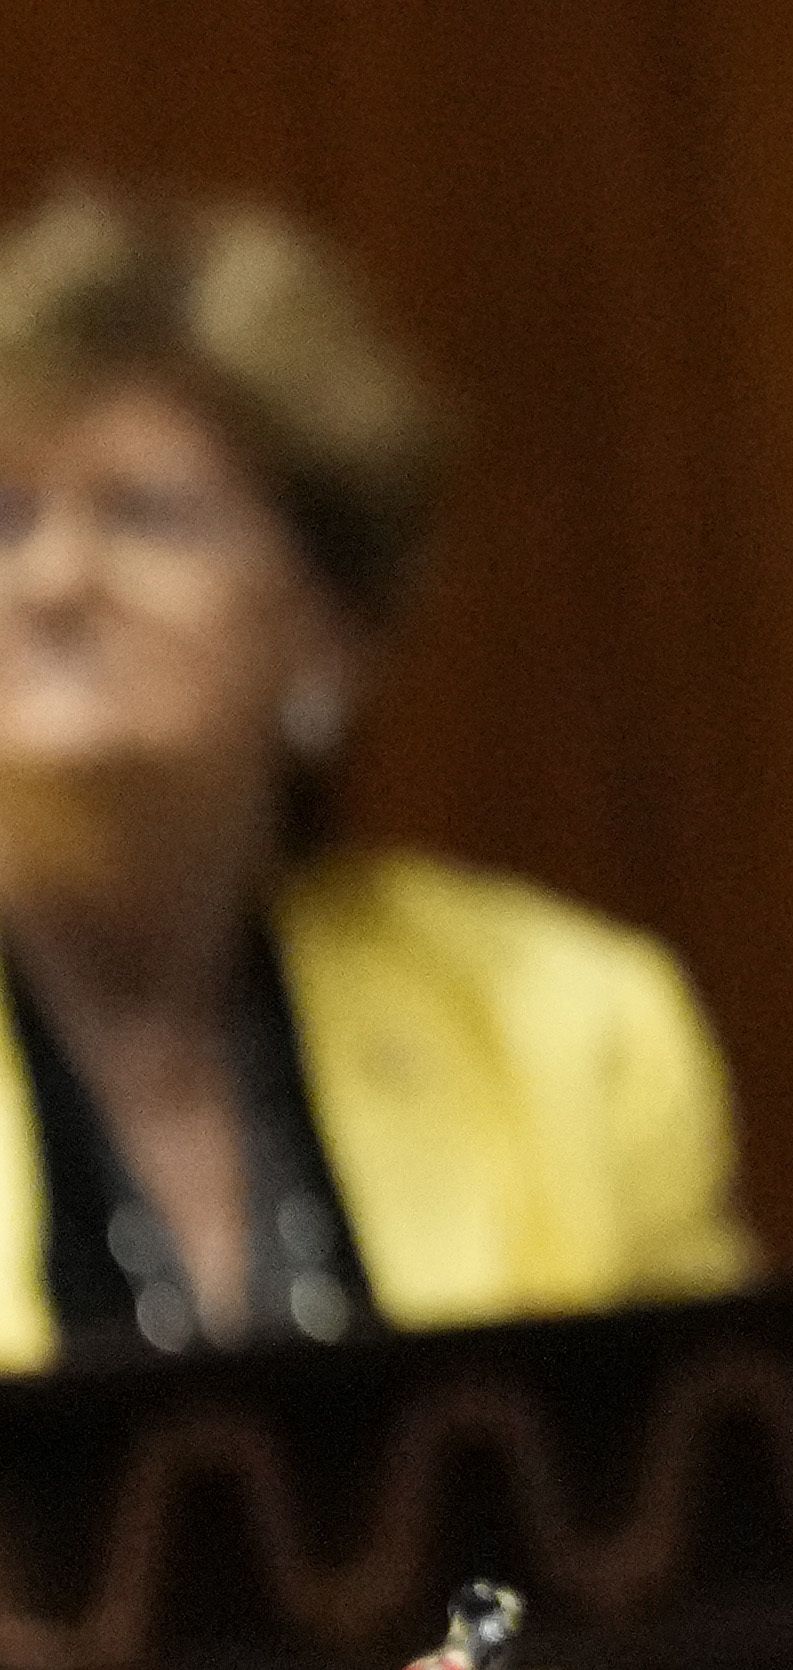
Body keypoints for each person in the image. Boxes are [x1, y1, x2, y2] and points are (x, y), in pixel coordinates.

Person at [0, 179, 752, 1360]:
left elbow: (683, 1501)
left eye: (145, 514)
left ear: (327, 618)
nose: (54, 580)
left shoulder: (568, 1031)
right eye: (7, 516)